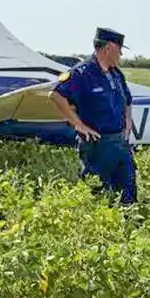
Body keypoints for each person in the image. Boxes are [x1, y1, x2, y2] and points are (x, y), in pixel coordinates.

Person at [50, 28, 137, 204]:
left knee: (128, 192)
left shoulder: (116, 73)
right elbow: (56, 95)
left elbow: (127, 100)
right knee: (96, 194)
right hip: (97, 144)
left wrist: (128, 121)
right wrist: (77, 124)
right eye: (119, 49)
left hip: (119, 143)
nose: (120, 54)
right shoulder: (82, 73)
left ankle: (127, 226)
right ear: (108, 49)